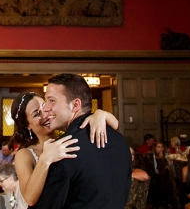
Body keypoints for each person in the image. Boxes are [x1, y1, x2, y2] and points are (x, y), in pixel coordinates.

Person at [34, 73, 132, 209]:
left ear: (75, 105)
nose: (45, 108)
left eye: (52, 100)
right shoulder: (120, 141)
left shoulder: (64, 149)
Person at [10, 90, 118, 207]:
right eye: (36, 114)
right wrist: (45, 160)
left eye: (44, 106)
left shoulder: (68, 136)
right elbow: (30, 199)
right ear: (27, 125)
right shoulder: (25, 154)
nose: (45, 114)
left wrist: (101, 115)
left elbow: (115, 125)